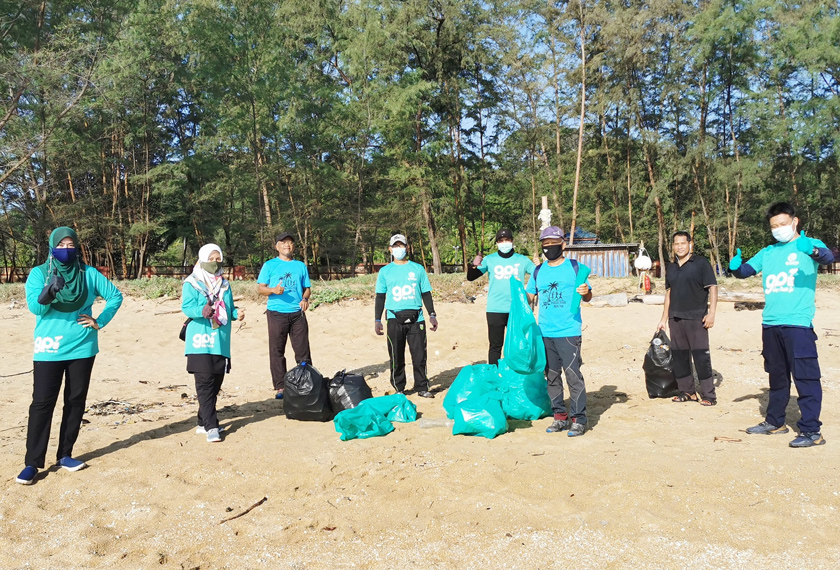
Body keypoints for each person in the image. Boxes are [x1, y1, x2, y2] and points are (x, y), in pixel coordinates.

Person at [16, 227, 123, 485]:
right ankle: (32, 463)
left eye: (70, 244)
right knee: (42, 403)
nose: (66, 249)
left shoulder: (89, 274)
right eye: (61, 245)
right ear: (52, 247)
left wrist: (99, 321)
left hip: (82, 347)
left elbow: (115, 296)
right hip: (49, 348)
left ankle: (65, 455)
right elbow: (35, 308)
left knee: (75, 401)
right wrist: (49, 291)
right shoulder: (39, 274)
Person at [730, 202, 834, 447]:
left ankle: (811, 431)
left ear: (795, 221)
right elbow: (746, 271)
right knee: (776, 376)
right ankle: (775, 422)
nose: (778, 229)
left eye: (782, 224)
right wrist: (735, 268)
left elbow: (828, 258)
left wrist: (814, 251)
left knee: (806, 378)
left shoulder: (810, 244)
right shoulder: (768, 251)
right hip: (771, 323)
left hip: (798, 325)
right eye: (774, 226)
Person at [525, 226, 592, 437]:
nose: (549, 248)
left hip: (569, 332)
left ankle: (579, 419)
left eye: (554, 244)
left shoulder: (575, 268)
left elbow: (588, 295)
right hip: (545, 332)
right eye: (545, 245)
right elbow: (529, 297)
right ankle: (559, 417)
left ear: (563, 244)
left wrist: (586, 292)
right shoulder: (538, 271)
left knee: (573, 375)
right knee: (551, 376)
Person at [182, 244, 244, 443]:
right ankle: (211, 426)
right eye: (212, 258)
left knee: (216, 383)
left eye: (218, 258)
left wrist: (237, 314)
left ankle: (202, 421)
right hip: (199, 341)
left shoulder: (225, 285)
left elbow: (230, 309)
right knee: (205, 383)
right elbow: (187, 306)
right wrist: (202, 310)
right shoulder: (191, 283)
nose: (215, 262)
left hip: (220, 341)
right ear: (202, 259)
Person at [656, 231, 718, 406]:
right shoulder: (671, 267)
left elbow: (712, 287)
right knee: (680, 356)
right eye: (676, 244)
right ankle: (688, 392)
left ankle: (709, 395)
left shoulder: (701, 263)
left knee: (701, 356)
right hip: (675, 318)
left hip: (697, 318)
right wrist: (663, 318)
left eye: (683, 243)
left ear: (690, 244)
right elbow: (669, 293)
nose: (680, 246)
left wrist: (711, 313)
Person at [374, 234, 438, 398]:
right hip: (394, 318)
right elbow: (380, 297)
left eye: (401, 245)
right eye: (395, 246)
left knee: (419, 355)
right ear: (390, 249)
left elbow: (426, 293)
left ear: (407, 247)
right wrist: (377, 319)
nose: (398, 249)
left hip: (417, 319)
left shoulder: (417, 269)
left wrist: (432, 314)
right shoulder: (385, 271)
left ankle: (422, 387)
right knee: (396, 356)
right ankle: (399, 388)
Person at [467, 228, 536, 365]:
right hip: (495, 309)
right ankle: (494, 375)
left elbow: (538, 275)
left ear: (512, 241)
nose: (504, 243)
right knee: (495, 346)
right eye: (501, 240)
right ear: (497, 243)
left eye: (507, 240)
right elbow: (471, 277)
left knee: (518, 344)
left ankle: (517, 374)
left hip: (516, 309)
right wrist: (473, 266)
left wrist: (530, 293)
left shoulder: (522, 260)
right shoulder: (489, 259)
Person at [257, 232, 312, 399]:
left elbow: (307, 288)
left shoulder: (300, 266)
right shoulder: (269, 265)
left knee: (302, 350)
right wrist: (273, 290)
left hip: (297, 314)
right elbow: (260, 288)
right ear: (277, 246)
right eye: (283, 242)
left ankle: (305, 381)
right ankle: (280, 386)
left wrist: (304, 298)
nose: (287, 245)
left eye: (290, 243)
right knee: (277, 350)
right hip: (276, 313)